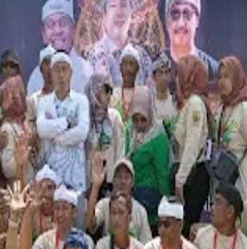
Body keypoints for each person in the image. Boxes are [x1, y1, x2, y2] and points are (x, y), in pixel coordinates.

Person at [36, 52, 91, 196]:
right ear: (51, 73)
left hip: (75, 176)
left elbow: (82, 132)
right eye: (57, 70)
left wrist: (56, 138)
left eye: (64, 69)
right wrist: (66, 122)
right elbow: (41, 129)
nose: (61, 75)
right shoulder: (44, 102)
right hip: (52, 175)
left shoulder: (81, 101)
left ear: (70, 73)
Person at [173, 55, 212, 236]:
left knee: (186, 230)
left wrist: (180, 179)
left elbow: (192, 145)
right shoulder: (188, 103)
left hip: (193, 176)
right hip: (189, 173)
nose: (176, 79)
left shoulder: (195, 104)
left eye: (179, 74)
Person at [216, 55, 247, 202]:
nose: (222, 82)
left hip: (240, 179)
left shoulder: (245, 110)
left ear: (236, 78)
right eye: (220, 77)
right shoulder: (221, 108)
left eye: (226, 77)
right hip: (222, 177)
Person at [28, 0, 93, 94]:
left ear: (73, 30)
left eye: (63, 23)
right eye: (51, 24)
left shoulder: (87, 72)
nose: (57, 31)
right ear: (43, 34)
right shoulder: (36, 79)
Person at [128, 85, 171, 227]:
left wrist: (165, 208)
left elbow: (162, 174)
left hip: (150, 203)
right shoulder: (130, 132)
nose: (139, 125)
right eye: (135, 119)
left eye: (143, 119)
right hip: (130, 199)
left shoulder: (158, 136)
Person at [87, 0, 153, 87]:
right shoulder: (91, 57)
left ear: (131, 14)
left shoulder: (143, 57)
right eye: (113, 6)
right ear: (104, 16)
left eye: (124, 5)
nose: (119, 12)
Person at [87, 157, 151, 242]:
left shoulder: (140, 211)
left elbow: (146, 244)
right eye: (119, 177)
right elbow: (90, 225)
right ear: (113, 181)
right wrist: (95, 186)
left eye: (126, 177)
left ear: (132, 182)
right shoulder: (104, 204)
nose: (122, 181)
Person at [85, 73, 125, 186]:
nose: (109, 95)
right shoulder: (84, 120)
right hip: (87, 182)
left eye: (111, 91)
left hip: (110, 183)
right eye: (106, 90)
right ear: (95, 90)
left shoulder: (114, 117)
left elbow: (120, 151)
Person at [164, 0, 218, 79]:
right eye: (175, 14)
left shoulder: (214, 72)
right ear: (167, 21)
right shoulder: (151, 70)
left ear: (197, 21)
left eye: (187, 14)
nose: (181, 24)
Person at [0, 76, 34, 184]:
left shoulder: (24, 123)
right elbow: (8, 169)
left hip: (31, 184)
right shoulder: (7, 129)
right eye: (19, 92)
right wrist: (24, 153)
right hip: (18, 188)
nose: (24, 95)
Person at [151, 53, 178, 135]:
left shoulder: (176, 103)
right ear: (154, 77)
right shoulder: (149, 104)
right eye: (160, 73)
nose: (164, 77)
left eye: (166, 73)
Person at [31, 165, 61, 240]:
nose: (46, 193)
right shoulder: (30, 214)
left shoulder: (63, 213)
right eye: (41, 187)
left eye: (49, 187)